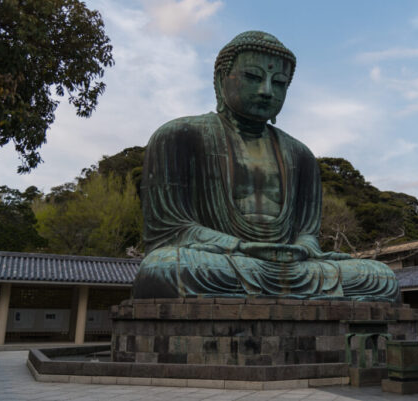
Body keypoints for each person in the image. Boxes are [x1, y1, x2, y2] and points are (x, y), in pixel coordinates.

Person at [132, 31, 399, 301]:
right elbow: (172, 230)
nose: (267, 91)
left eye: (279, 82)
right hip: (222, 260)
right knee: (163, 268)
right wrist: (240, 246)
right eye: (253, 77)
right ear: (220, 79)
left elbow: (306, 233)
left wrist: (302, 248)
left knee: (380, 277)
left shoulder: (300, 154)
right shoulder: (180, 135)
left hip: (290, 266)